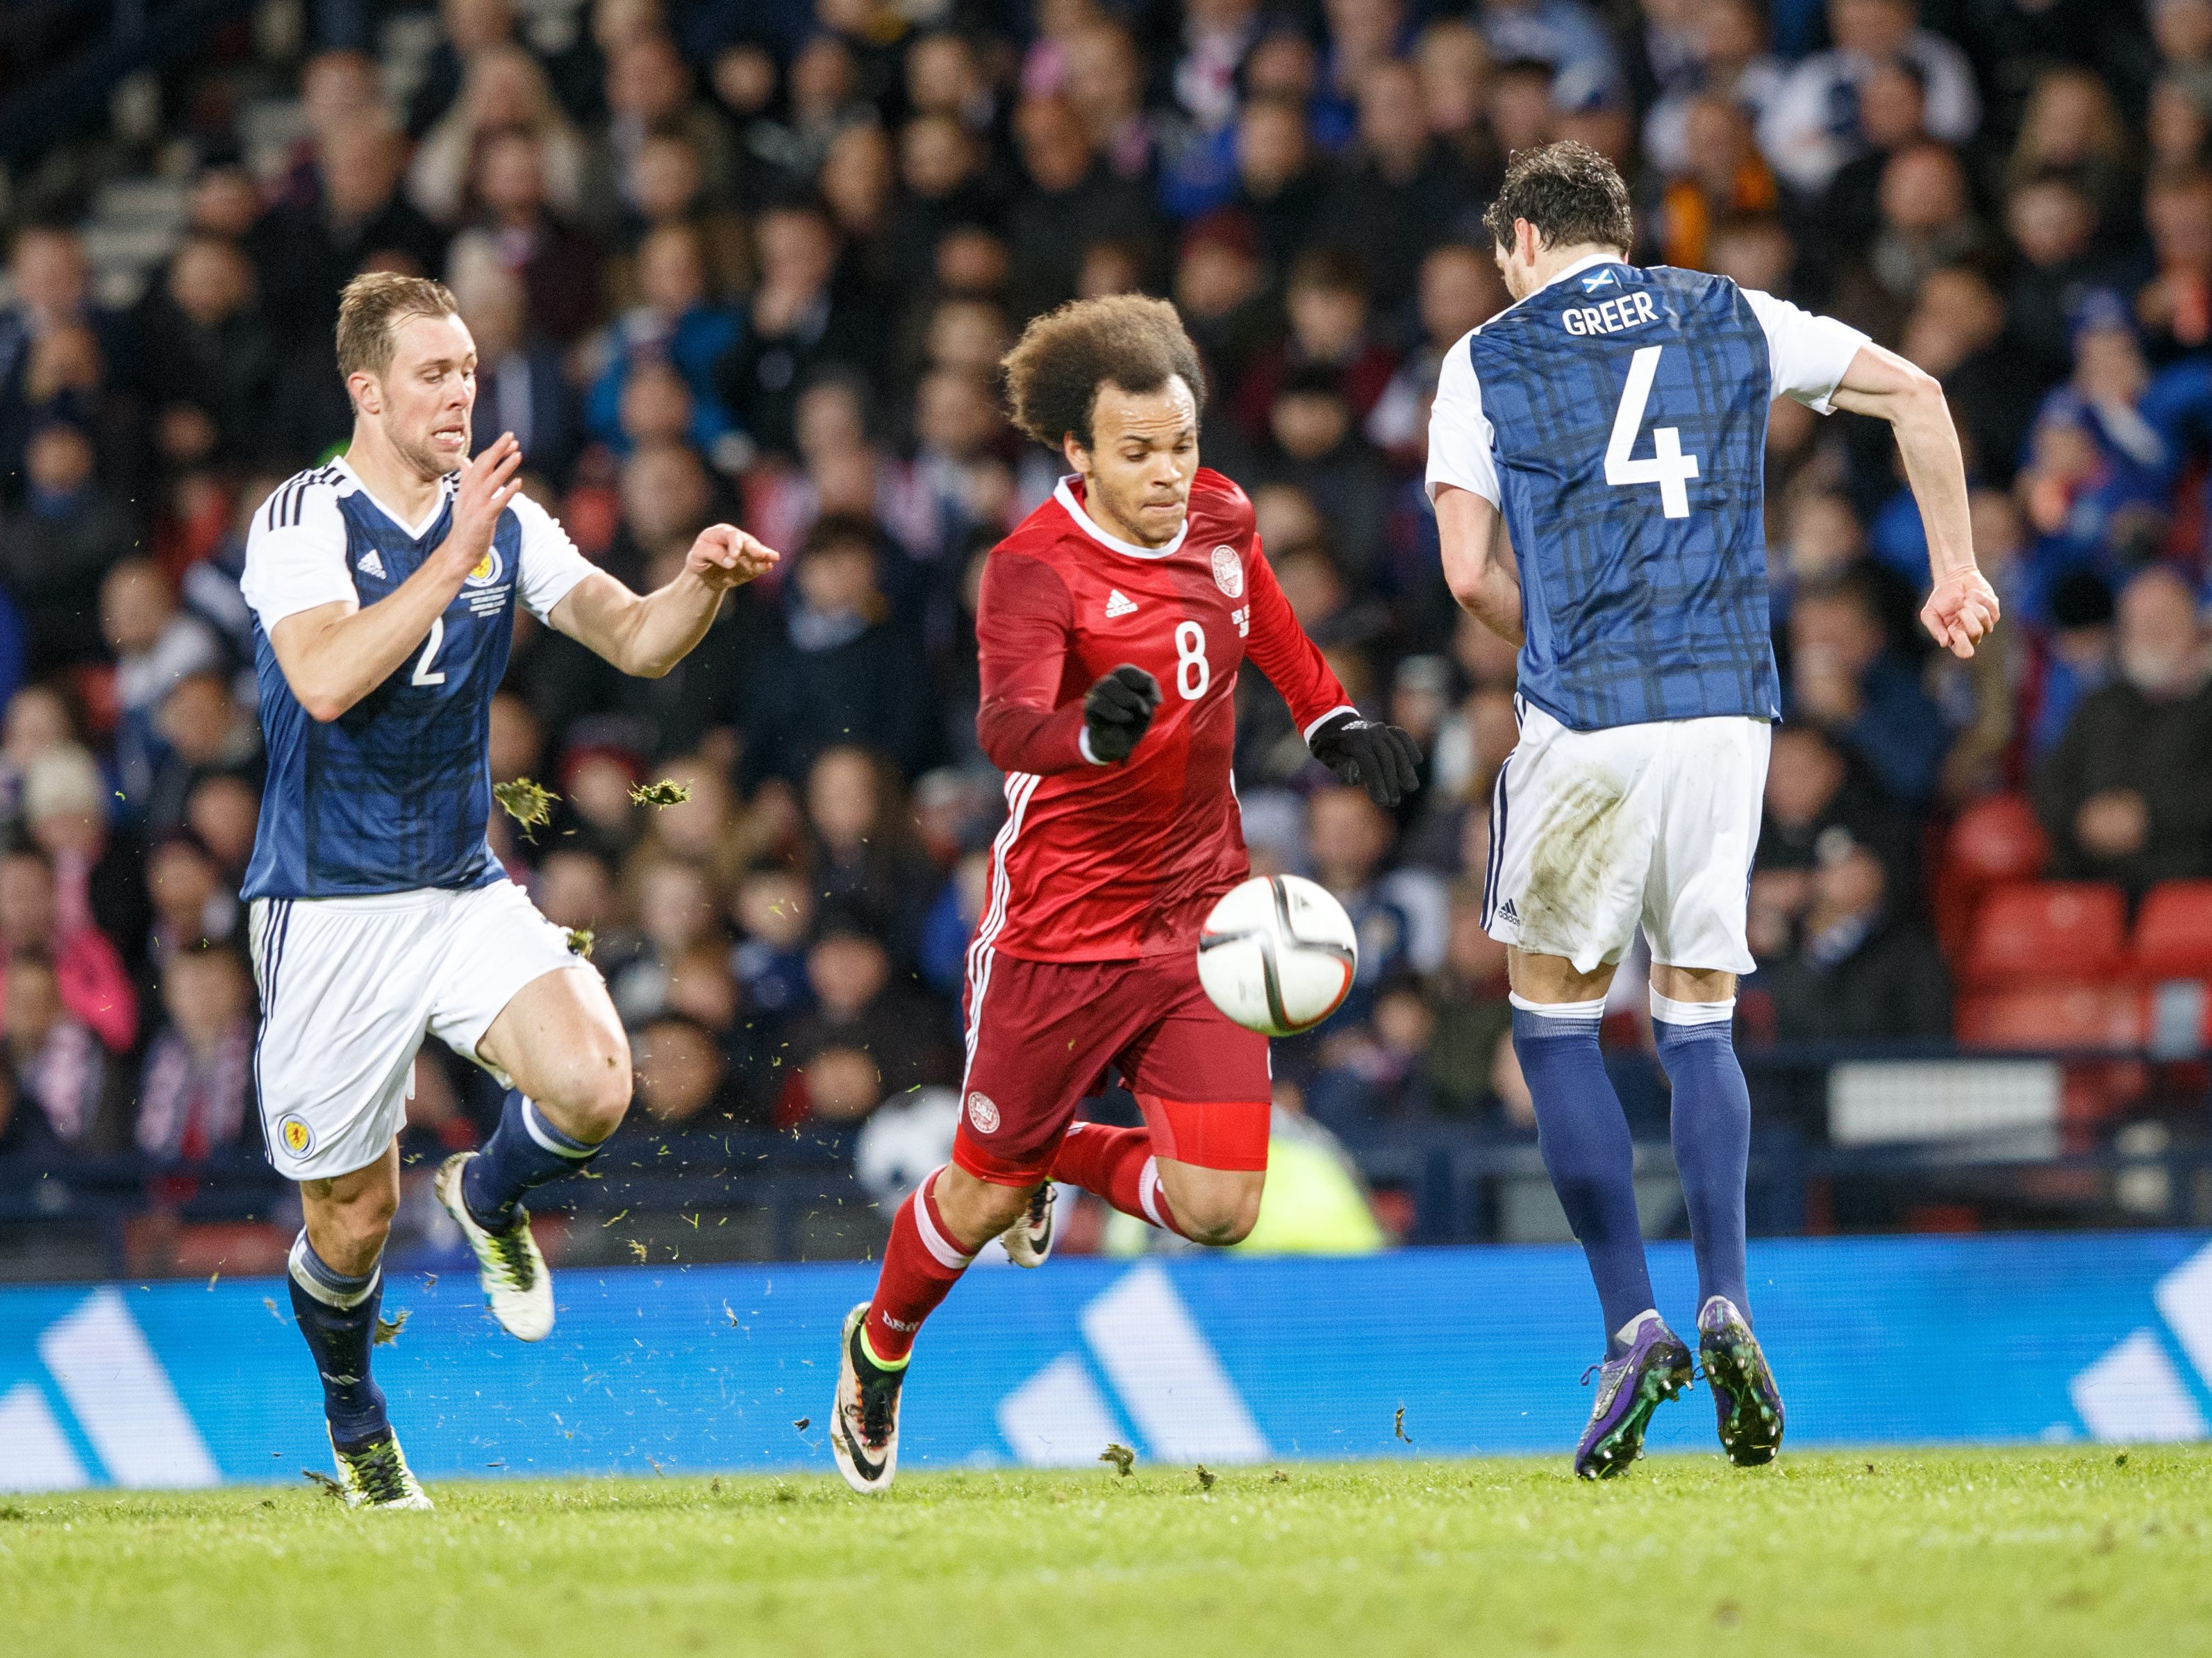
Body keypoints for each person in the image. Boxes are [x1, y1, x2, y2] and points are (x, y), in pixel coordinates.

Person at [1427, 142, 1996, 1477]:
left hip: (1588, 715)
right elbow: (1915, 394)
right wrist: (1954, 573)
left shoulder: (1485, 356)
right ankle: (1727, 1298)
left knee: (1554, 1025)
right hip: (1729, 708)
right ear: (1620, 235)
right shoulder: (1729, 310)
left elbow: (1464, 572)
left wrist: (1553, 644)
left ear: (1522, 241)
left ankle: (1631, 1325)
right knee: (1698, 1016)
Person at [829, 293, 1421, 1494]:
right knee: (978, 1195)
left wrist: (1331, 717)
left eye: (1181, 445)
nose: (1166, 473)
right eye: (1137, 451)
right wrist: (1086, 735)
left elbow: (1264, 618)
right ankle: (878, 1347)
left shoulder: (1221, 516)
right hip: (1059, 928)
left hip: (1202, 916)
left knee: (1219, 1207)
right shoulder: (1031, 569)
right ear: (1079, 454)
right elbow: (1006, 726)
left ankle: (1051, 1155)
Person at [242, 271, 779, 1508]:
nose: (459, 394)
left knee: (596, 1082)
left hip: (459, 885)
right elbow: (323, 679)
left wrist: (698, 582)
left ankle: (487, 1194)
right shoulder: (303, 519)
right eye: (432, 374)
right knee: (351, 1222)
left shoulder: (507, 523)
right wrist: (453, 558)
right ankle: (357, 1422)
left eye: (469, 372)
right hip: (327, 908)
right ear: (366, 391)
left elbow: (635, 637)